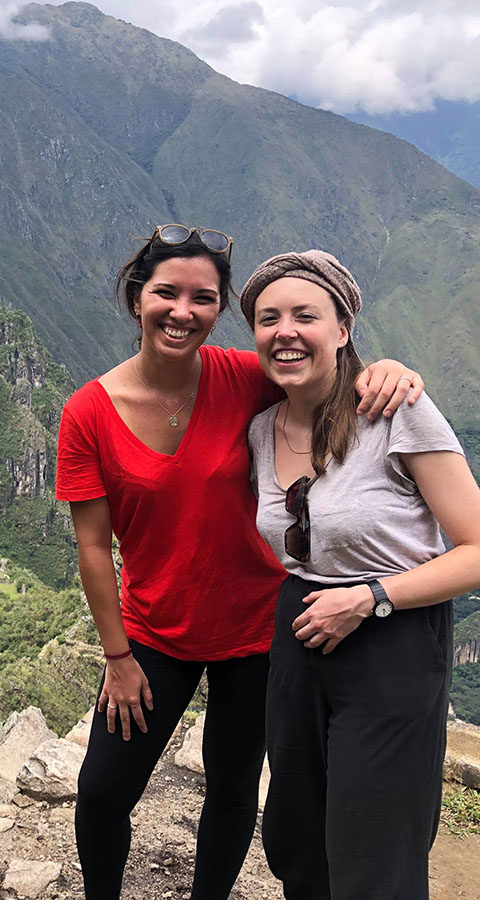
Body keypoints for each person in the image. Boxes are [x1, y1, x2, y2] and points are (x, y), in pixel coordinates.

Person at [55, 224, 422, 900]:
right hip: (154, 632)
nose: (183, 312)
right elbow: (91, 546)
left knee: (232, 787)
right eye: (167, 293)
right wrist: (117, 657)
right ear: (139, 298)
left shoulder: (244, 378)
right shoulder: (88, 413)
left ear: (219, 310)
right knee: (103, 789)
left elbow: (323, 374)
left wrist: (388, 373)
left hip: (256, 631)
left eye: (203, 299)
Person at [241, 250, 480, 900]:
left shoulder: (396, 412)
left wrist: (371, 598)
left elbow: (477, 548)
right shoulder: (263, 431)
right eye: (268, 318)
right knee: (296, 834)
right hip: (299, 631)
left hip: (391, 633)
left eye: (304, 315)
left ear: (342, 328)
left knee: (374, 849)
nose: (284, 330)